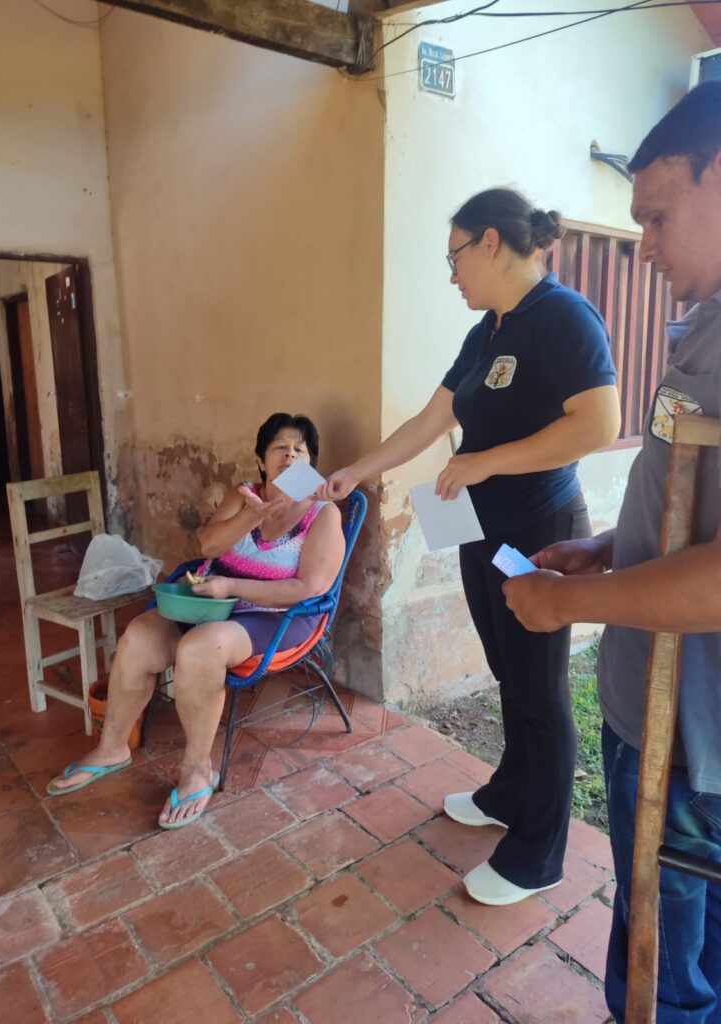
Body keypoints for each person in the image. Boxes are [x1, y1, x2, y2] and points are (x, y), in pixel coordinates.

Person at [319, 187, 620, 905]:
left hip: (542, 534)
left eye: (454, 257)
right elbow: (433, 418)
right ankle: (510, 792)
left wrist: (486, 462)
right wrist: (359, 470)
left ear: (491, 242)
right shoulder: (487, 330)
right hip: (480, 530)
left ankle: (539, 853)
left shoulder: (564, 316)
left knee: (541, 688)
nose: (451, 274)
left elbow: (598, 424)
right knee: (507, 670)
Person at [503, 82, 721, 1023]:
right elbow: (688, 499)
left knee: (665, 976)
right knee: (666, 943)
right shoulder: (704, 323)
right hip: (658, 715)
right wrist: (604, 547)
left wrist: (568, 606)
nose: (645, 247)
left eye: (658, 217)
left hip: (694, 743)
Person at [47, 412, 345, 829]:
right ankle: (112, 747)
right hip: (213, 603)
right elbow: (208, 544)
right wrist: (253, 515)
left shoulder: (322, 514)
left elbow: (309, 587)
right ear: (261, 460)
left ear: (311, 464)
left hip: (278, 615)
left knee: (199, 648)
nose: (290, 455)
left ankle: (197, 771)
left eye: (301, 450)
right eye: (280, 447)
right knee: (139, 636)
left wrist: (232, 586)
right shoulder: (243, 496)